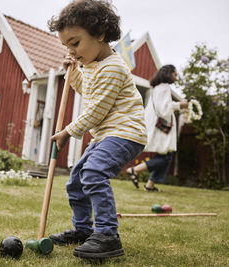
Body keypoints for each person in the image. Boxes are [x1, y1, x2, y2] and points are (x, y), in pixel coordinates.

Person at [47, 0, 147, 260]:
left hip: (125, 133)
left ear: (100, 34)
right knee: (76, 181)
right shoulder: (91, 65)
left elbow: (97, 110)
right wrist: (74, 73)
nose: (72, 51)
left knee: (93, 172)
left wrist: (68, 131)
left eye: (75, 43)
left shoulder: (113, 66)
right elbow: (88, 91)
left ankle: (107, 235)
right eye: (67, 46)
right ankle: (83, 230)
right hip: (106, 134)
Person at [126, 65, 188, 191]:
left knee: (166, 156)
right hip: (161, 128)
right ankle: (135, 170)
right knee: (166, 156)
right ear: (168, 74)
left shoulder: (157, 88)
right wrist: (179, 105)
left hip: (156, 126)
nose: (176, 77)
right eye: (175, 74)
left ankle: (150, 185)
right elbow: (163, 108)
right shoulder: (164, 88)